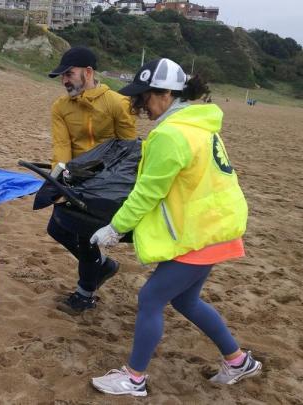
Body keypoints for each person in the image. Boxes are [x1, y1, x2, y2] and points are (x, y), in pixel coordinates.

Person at [89, 58, 261, 397]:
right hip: (216, 228)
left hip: (200, 233)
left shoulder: (171, 134)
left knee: (150, 297)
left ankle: (133, 379)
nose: (140, 105)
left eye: (145, 97)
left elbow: (147, 193)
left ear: (166, 94)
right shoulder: (199, 126)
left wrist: (114, 228)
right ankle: (238, 361)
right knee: (185, 301)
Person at [46, 46, 137, 315]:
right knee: (57, 228)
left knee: (85, 238)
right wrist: (57, 183)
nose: (65, 81)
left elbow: (129, 151)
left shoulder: (118, 104)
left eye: (69, 74)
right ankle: (104, 265)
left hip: (106, 186)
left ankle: (85, 294)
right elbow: (61, 147)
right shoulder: (60, 107)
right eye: (62, 76)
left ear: (88, 72)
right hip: (75, 181)